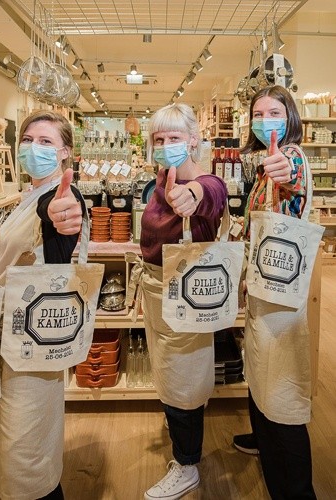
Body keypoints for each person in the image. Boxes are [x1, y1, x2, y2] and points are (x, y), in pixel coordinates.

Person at [0, 110, 86, 500]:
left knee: (25, 443)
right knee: (22, 434)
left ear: (65, 153)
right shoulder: (29, 194)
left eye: (46, 142)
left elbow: (59, 212)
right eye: (27, 140)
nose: (33, 148)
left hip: (31, 336)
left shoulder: (57, 196)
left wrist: (65, 213)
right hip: (13, 327)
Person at [134, 103, 227, 500]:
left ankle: (187, 465)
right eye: (159, 139)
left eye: (174, 137)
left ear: (193, 140)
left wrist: (191, 194)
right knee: (171, 374)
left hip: (183, 298)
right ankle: (182, 443)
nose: (166, 145)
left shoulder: (204, 183)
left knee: (184, 380)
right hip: (159, 292)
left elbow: (211, 193)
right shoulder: (160, 180)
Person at [233, 85, 316, 498]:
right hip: (264, 286)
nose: (265, 120)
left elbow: (292, 174)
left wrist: (284, 167)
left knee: (282, 385)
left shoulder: (291, 156)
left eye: (275, 113)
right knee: (260, 369)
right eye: (258, 113)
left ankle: (297, 489)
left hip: (280, 294)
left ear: (290, 117)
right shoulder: (266, 165)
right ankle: (263, 442)